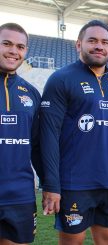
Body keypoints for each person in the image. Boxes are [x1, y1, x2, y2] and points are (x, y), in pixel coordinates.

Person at [40, 20, 108, 245]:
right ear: (78, 45)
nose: (99, 46)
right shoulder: (61, 79)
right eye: (92, 41)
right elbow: (48, 134)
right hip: (74, 184)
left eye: (104, 42)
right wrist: (51, 184)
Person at [0, 23, 42, 244]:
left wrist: (49, 184)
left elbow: (37, 145)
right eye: (6, 44)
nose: (13, 51)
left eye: (20, 46)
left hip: (20, 195)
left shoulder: (32, 93)